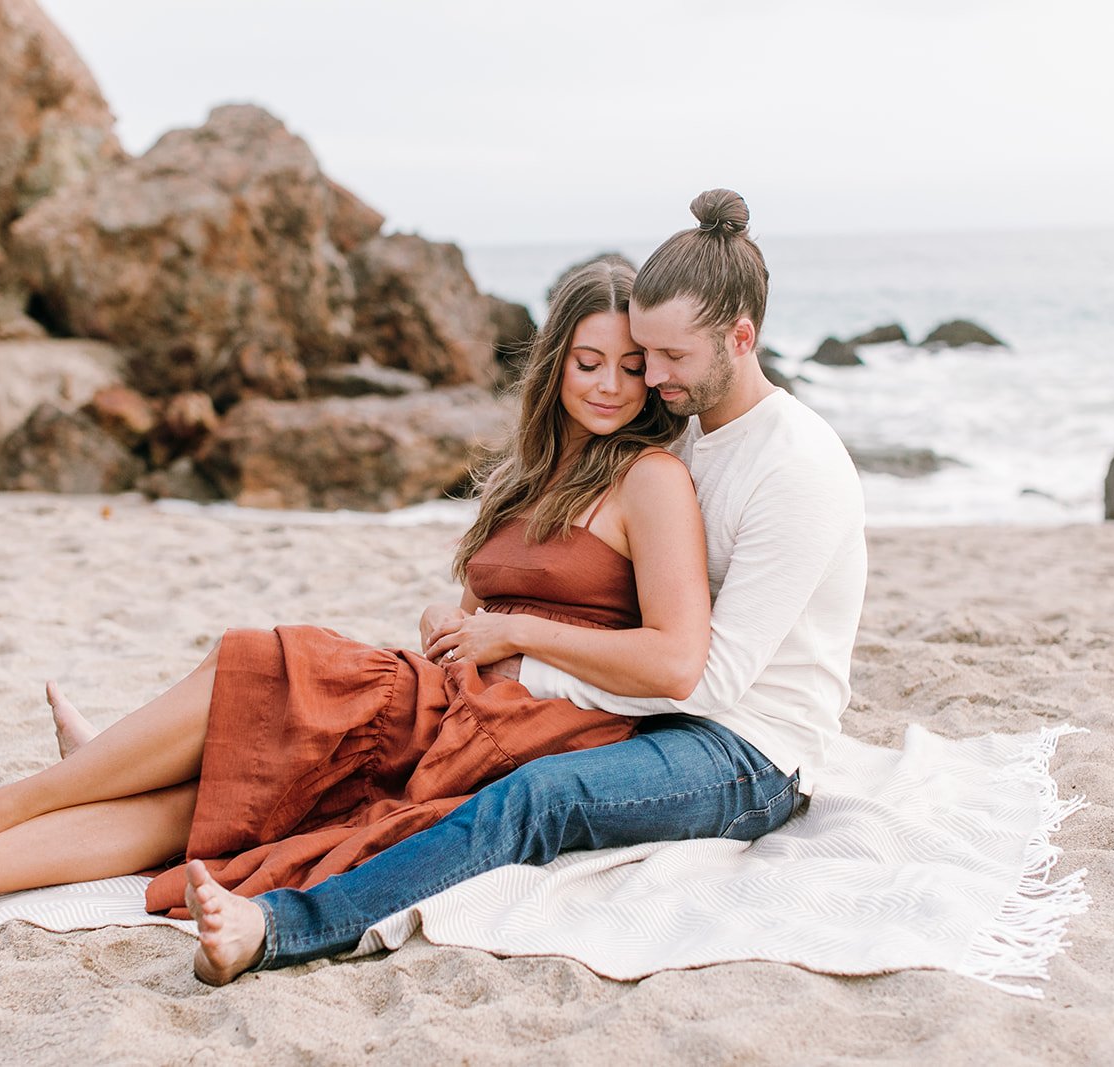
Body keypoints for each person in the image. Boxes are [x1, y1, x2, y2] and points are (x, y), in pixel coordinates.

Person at [0, 258, 715, 968]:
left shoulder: (652, 478)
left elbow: (674, 658)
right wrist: (458, 613)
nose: (607, 385)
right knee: (189, 806)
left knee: (267, 660)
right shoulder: (532, 474)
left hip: (529, 731)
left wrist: (511, 632)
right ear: (555, 362)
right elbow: (482, 599)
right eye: (588, 362)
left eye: (631, 368)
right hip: (447, 694)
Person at [181, 188, 868, 984]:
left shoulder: (797, 467)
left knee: (539, 795)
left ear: (741, 337)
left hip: (749, 751)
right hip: (658, 715)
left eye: (670, 358)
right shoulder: (692, 431)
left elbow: (707, 678)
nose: (651, 378)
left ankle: (281, 927)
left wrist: (525, 658)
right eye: (646, 355)